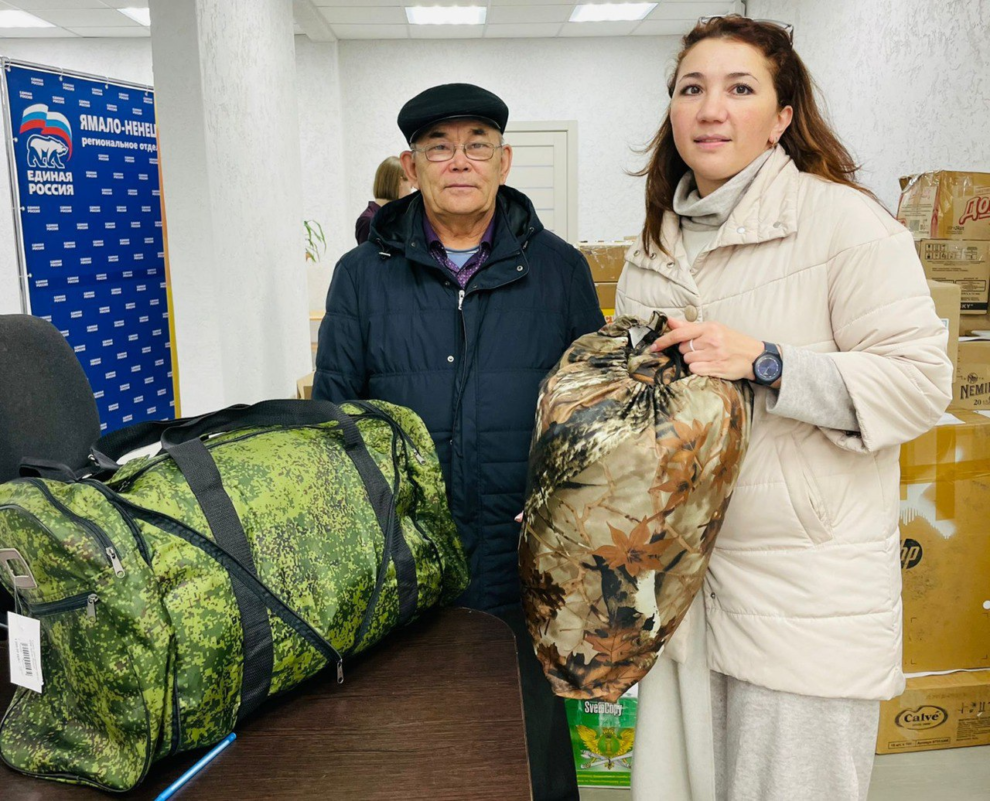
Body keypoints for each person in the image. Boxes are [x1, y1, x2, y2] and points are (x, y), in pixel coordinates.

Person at [615, 16, 952, 801]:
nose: (711, 109)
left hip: (805, 596)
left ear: (783, 115)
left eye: (740, 89)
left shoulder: (844, 224)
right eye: (692, 89)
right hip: (685, 595)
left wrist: (768, 362)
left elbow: (919, 383)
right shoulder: (653, 252)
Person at [314, 83, 604, 801]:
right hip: (405, 560)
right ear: (410, 169)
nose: (459, 161)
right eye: (438, 147)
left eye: (477, 144)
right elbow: (332, 423)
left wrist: (562, 513)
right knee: (412, 749)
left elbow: (593, 414)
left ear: (504, 161)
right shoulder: (360, 276)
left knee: (531, 752)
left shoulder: (560, 270)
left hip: (525, 558)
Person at [354, 156, 414, 245]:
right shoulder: (368, 220)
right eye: (410, 186)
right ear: (400, 182)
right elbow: (368, 257)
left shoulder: (395, 216)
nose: (411, 192)